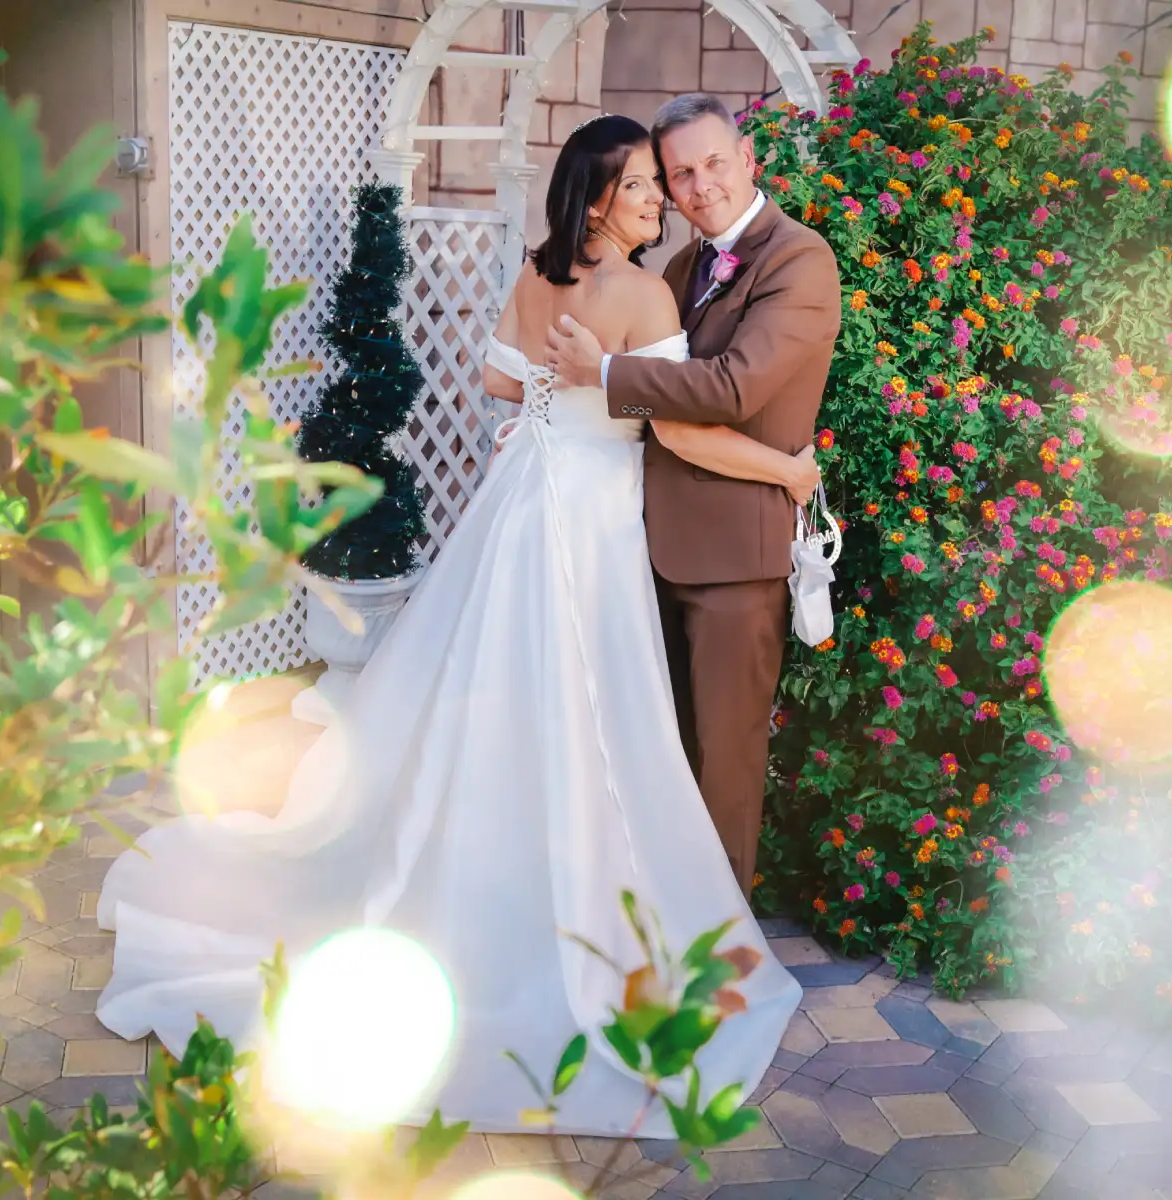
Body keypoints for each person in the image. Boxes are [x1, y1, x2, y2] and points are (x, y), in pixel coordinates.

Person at [94, 114, 805, 1139]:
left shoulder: (535, 275)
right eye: (645, 184)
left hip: (520, 506)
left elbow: (496, 384)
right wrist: (784, 468)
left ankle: (486, 870)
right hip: (590, 525)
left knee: (502, 691)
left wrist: (561, 384)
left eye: (667, 180)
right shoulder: (644, 291)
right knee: (586, 697)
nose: (659, 198)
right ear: (599, 197)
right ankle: (558, 890)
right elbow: (684, 423)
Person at [547, 94, 842, 899]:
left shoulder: (799, 259)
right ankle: (665, 930)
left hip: (733, 558)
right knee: (660, 758)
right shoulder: (680, 268)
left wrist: (601, 378)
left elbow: (735, 389)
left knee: (724, 761)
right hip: (645, 542)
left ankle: (724, 961)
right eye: (680, 173)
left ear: (748, 159)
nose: (699, 184)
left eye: (714, 163)